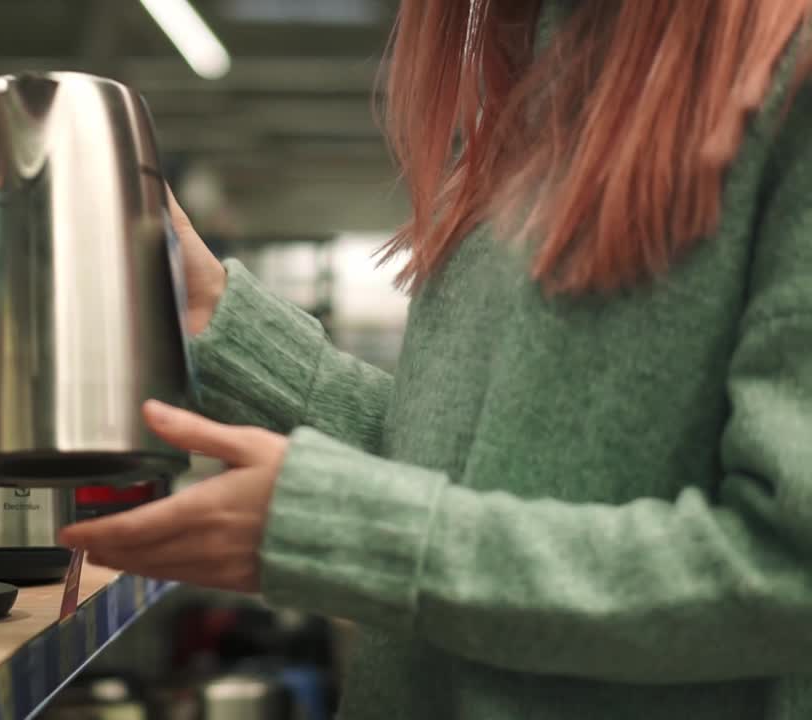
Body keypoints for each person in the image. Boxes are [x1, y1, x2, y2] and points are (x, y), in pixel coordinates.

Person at [59, 1, 812, 718]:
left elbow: (788, 564)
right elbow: (483, 466)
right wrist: (219, 319)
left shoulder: (788, 84)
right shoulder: (530, 98)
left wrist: (365, 537)